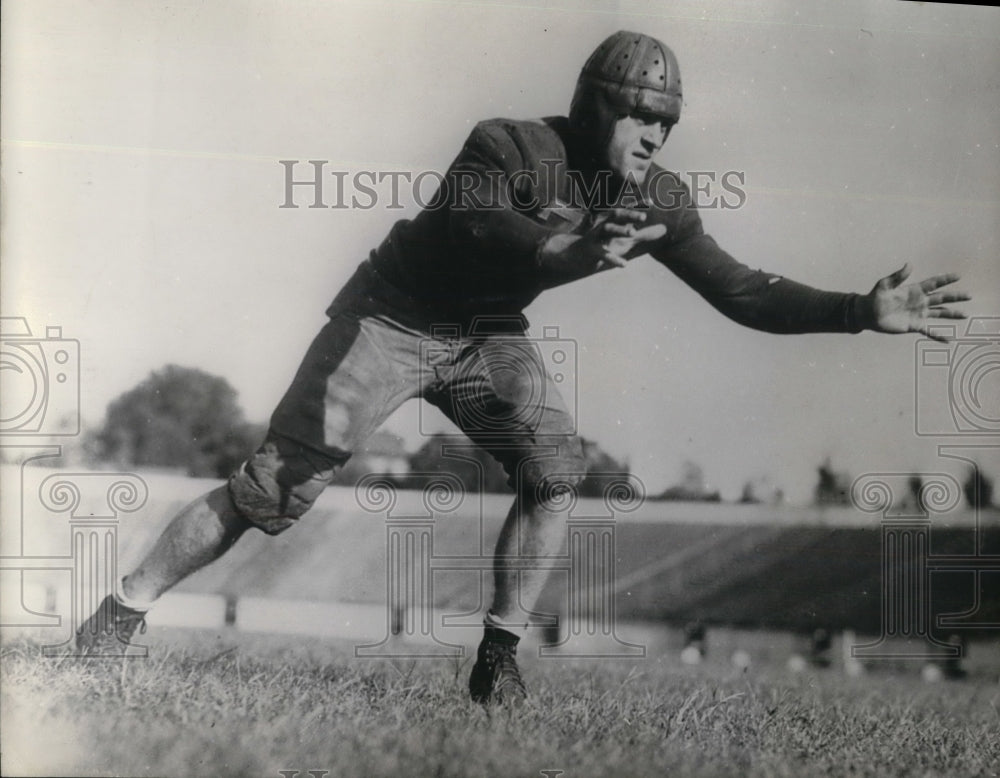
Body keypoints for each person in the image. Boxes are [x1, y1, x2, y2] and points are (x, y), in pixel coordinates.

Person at [76, 30, 970, 704]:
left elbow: (740, 292)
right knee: (273, 490)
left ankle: (496, 661)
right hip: (392, 316)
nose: (656, 135)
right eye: (640, 114)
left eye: (667, 121)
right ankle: (117, 616)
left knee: (556, 467)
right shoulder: (504, 145)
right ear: (592, 106)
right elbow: (486, 230)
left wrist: (860, 311)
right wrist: (573, 252)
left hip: (486, 333)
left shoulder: (655, 196)